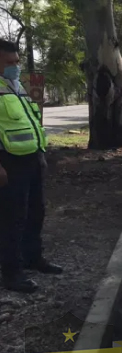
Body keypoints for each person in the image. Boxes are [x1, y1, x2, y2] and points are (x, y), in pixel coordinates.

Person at [0, 39, 63, 293]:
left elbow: (32, 122)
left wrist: (41, 153)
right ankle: (12, 273)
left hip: (32, 160)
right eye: (9, 62)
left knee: (36, 212)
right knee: (12, 218)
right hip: (8, 163)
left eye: (16, 62)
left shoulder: (17, 87)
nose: (15, 66)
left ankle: (33, 258)